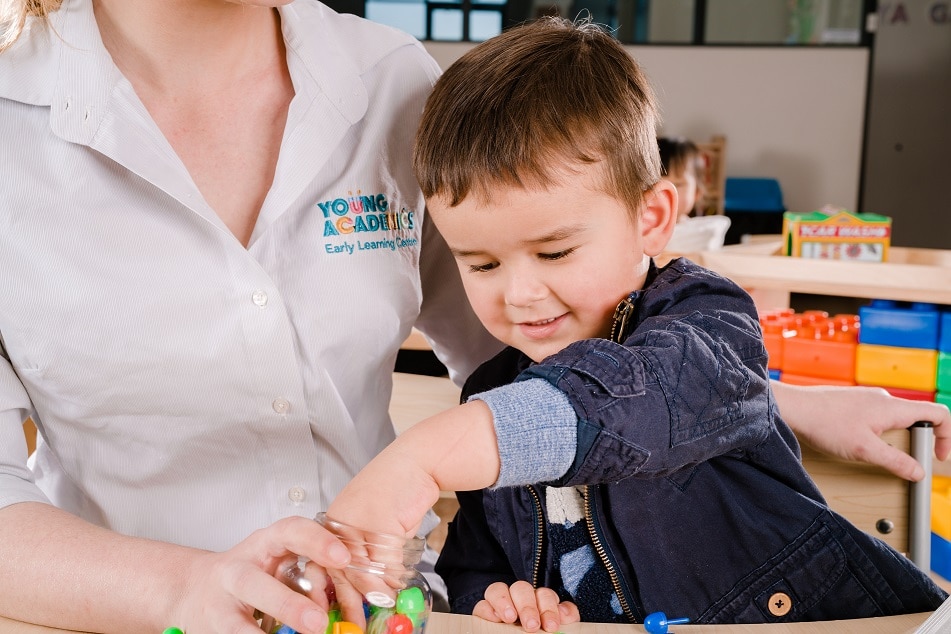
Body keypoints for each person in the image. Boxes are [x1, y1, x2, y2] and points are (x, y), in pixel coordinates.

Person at [0, 2, 947, 633]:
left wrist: (752, 400)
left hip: (385, 606)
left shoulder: (386, 78)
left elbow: (566, 371)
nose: (514, 281)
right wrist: (184, 587)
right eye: (486, 261)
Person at [327, 16, 949, 632]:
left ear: (651, 218)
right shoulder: (493, 391)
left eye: (555, 252)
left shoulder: (708, 319)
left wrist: (422, 457)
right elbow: (474, 564)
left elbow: (631, 398)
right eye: (482, 263)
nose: (519, 293)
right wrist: (498, 598)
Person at [658, 135, 732, 253]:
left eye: (677, 184)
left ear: (697, 192)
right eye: (656, 184)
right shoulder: (637, 231)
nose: (666, 192)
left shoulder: (701, 234)